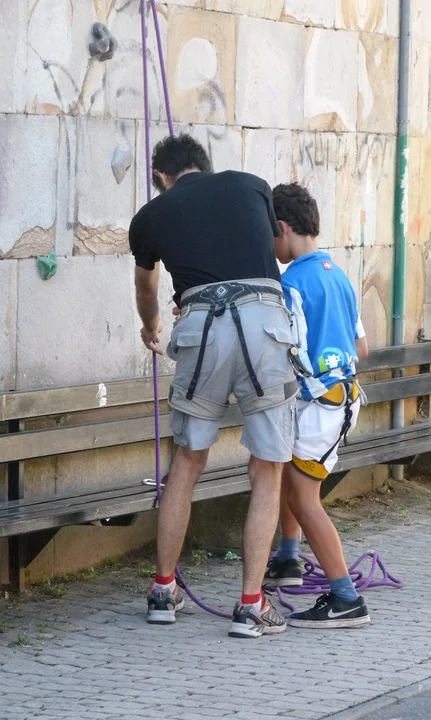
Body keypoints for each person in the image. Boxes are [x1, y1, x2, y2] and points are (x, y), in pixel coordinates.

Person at [129, 134, 297, 638]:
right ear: (204, 164)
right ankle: (251, 605)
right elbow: (266, 251)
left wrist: (151, 327)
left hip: (200, 324)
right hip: (263, 321)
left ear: (161, 177)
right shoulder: (253, 185)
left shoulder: (150, 215)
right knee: (267, 467)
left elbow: (146, 288)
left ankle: (163, 591)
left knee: (187, 460)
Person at [263, 183, 371, 629]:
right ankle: (288, 560)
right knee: (292, 480)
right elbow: (361, 347)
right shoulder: (337, 274)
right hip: (343, 396)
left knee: (305, 500)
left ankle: (346, 598)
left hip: (319, 406)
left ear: (282, 228)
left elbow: (289, 352)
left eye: (269, 236)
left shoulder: (291, 284)